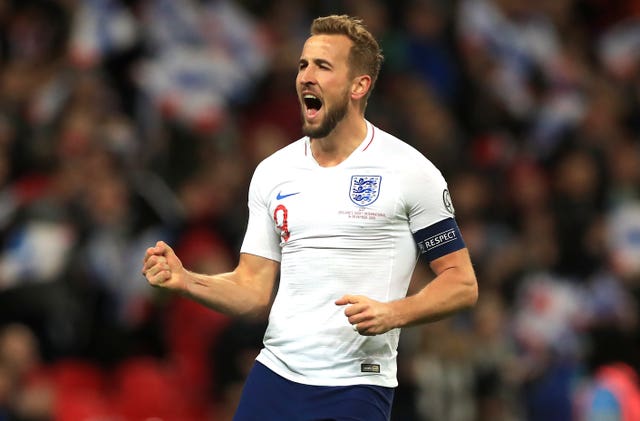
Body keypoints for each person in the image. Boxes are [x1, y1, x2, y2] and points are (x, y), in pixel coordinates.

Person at [142, 14, 478, 421]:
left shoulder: (410, 171)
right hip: (275, 376)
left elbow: (461, 283)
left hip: (355, 384)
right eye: (303, 65)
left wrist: (393, 313)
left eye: (323, 66)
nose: (305, 76)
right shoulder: (272, 172)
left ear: (359, 85)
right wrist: (186, 280)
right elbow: (252, 289)